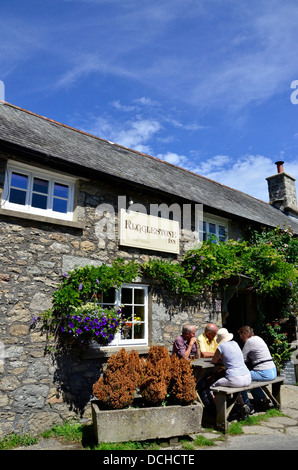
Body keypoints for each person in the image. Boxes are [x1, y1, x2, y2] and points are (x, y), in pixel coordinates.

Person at [238, 325, 277, 411]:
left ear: (246, 334)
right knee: (251, 379)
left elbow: (241, 358)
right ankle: (263, 400)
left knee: (241, 378)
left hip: (265, 372)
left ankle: (247, 404)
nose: (241, 338)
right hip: (273, 370)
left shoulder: (249, 341)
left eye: (241, 335)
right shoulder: (258, 338)